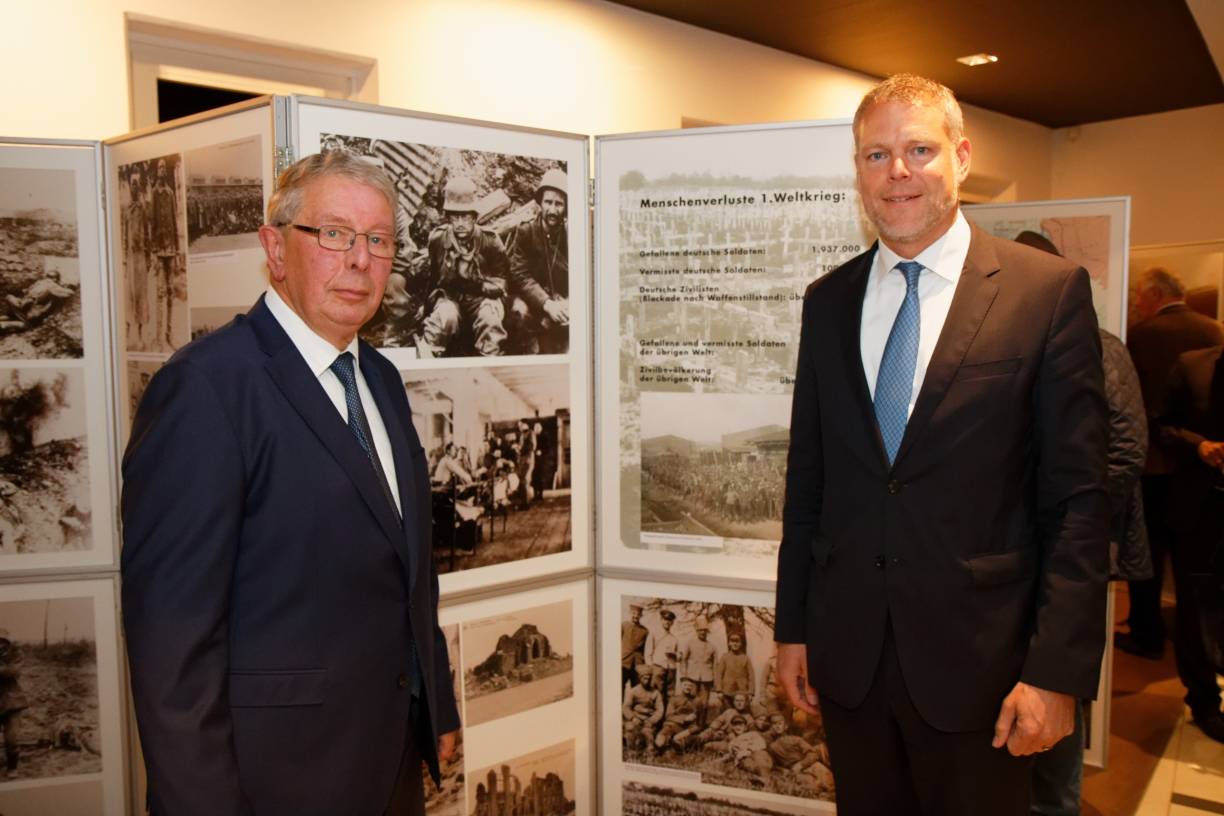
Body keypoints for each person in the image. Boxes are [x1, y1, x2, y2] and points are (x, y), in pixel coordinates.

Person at [774, 74, 1108, 815]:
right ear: (856, 169)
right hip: (852, 661)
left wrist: (1057, 672)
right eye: (875, 154)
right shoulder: (828, 302)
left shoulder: (1045, 293)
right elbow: (810, 480)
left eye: (919, 149)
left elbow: (1080, 502)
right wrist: (793, 629)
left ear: (960, 156)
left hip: (985, 669)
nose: (897, 172)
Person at [121, 152, 460, 816]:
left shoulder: (382, 381)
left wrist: (436, 704)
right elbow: (172, 649)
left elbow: (408, 573)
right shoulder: (206, 390)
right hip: (275, 781)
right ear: (275, 248)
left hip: (387, 764)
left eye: (378, 240)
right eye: (334, 234)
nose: (359, 259)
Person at [1120, 266, 1224, 659]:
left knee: (1147, 555)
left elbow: (1135, 403)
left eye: (1142, 297)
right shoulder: (1212, 330)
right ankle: (1192, 640)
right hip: (1198, 466)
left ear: (1157, 295)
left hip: (1151, 460)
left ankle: (1147, 632)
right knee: (1193, 565)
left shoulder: (1142, 335)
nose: (1140, 305)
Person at [1155, 343, 1224, 742]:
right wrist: (1197, 445)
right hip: (1198, 509)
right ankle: (1203, 700)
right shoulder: (1191, 364)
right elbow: (1160, 426)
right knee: (1194, 608)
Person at [420, 176, 510, 356]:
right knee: (445, 317)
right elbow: (433, 280)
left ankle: (490, 364)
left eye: (465, 217)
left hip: (482, 299)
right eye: (455, 217)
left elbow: (502, 283)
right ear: (448, 217)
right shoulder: (438, 239)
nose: (460, 223)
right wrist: (426, 307)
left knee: (490, 319)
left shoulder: (490, 241)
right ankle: (427, 358)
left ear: (475, 217)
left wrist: (476, 284)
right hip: (450, 298)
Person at [508, 168, 569, 353]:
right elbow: (520, 275)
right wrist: (546, 304)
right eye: (548, 202)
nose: (552, 209)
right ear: (540, 203)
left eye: (558, 204)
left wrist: (568, 302)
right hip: (531, 299)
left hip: (561, 302)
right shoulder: (526, 231)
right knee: (519, 313)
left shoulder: (571, 234)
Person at [0, 630, 27, 779]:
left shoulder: (15, 655)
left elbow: (13, 671)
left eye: (2, 641)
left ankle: (12, 767)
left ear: (7, 642)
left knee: (12, 739)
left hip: (12, 703)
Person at [621, 603, 649, 693]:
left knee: (637, 688)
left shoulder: (644, 630)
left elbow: (646, 649)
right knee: (620, 686)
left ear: (641, 615)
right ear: (630, 613)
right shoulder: (624, 625)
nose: (636, 616)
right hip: (623, 662)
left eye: (638, 614)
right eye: (634, 613)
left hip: (638, 664)